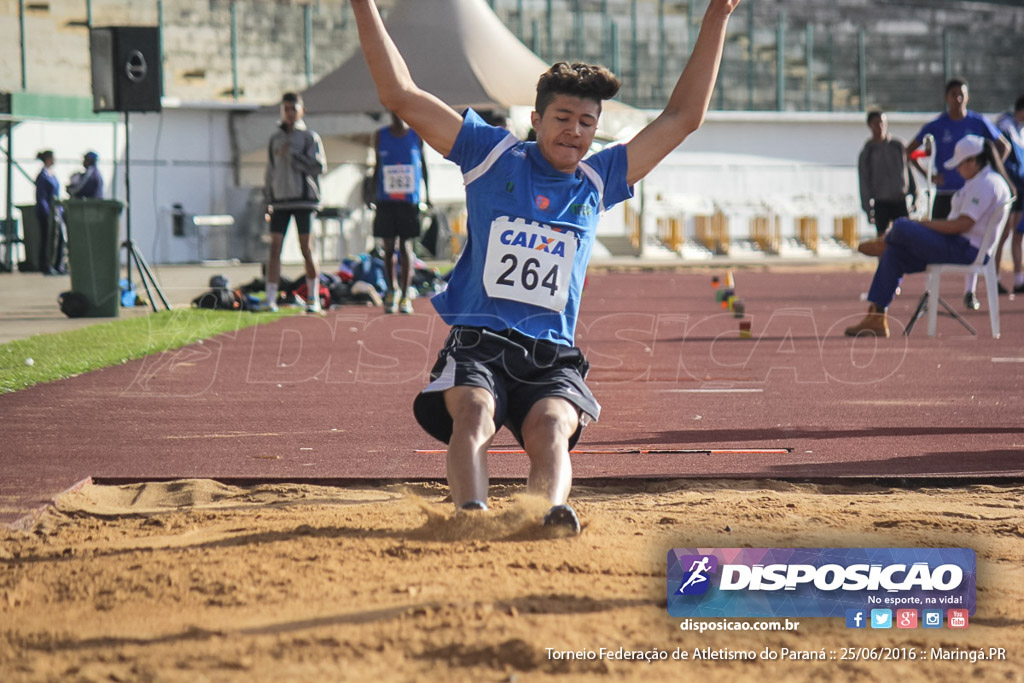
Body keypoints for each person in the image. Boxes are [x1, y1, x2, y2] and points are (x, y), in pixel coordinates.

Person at [351, 0, 739, 532]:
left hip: (550, 354)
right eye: (562, 118)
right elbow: (401, 95)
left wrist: (715, 17)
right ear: (536, 119)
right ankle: (470, 515)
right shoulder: (490, 155)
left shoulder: (599, 180)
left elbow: (682, 119)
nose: (574, 131)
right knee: (475, 413)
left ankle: (548, 515)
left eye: (587, 122)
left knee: (554, 426)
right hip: (480, 341)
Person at [846, 136, 1014, 338]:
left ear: (973, 160)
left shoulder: (985, 184)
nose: (958, 171)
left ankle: (888, 239)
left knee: (902, 226)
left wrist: (924, 225)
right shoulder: (982, 181)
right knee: (894, 254)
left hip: (965, 249)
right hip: (960, 245)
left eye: (959, 165)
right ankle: (877, 316)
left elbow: (962, 224)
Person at [905, 79, 1009, 310]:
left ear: (967, 97)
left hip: (974, 193)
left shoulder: (978, 121)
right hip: (946, 192)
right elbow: (910, 151)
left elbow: (1004, 146)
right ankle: (928, 293)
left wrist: (988, 170)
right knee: (933, 238)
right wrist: (929, 176)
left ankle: (969, 292)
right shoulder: (937, 125)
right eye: (953, 94)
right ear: (946, 97)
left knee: (971, 236)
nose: (958, 98)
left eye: (962, 94)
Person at [262, 92, 327, 313]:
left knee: (306, 248)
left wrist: (295, 157)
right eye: (285, 108)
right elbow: (270, 171)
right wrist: (267, 200)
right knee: (274, 249)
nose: (289, 113)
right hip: (280, 201)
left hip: (304, 201)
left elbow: (318, 167)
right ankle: (270, 298)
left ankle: (313, 297)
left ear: (301, 111)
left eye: (293, 108)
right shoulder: (275, 139)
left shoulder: (309, 137)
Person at [371, 112, 430, 314]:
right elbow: (377, 167)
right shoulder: (380, 135)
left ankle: (405, 294)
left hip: (408, 200)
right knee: (388, 247)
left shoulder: (416, 135)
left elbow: (424, 166)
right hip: (386, 200)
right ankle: (391, 289)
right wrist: (372, 194)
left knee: (406, 246)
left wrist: (427, 195)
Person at [858, 110, 911, 237]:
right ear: (870, 126)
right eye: (876, 123)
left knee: (905, 236)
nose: (880, 126)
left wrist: (915, 194)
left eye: (882, 122)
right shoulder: (867, 152)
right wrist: (867, 207)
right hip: (881, 201)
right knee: (882, 239)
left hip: (899, 199)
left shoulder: (898, 146)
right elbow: (864, 180)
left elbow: (909, 169)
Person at [992, 94, 1024, 294]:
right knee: (1001, 234)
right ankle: (993, 278)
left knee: (1018, 235)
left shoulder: (1021, 129)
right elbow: (999, 155)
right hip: (1008, 187)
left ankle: (1019, 280)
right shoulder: (1005, 125)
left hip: (1021, 187)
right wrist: (1006, 181)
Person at [34, 150, 65, 275]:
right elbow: (41, 197)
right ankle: (45, 265)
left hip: (55, 212)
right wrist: (46, 213)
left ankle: (57, 264)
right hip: (46, 213)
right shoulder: (43, 176)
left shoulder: (51, 174)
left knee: (59, 239)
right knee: (46, 239)